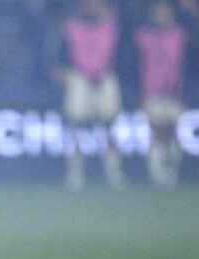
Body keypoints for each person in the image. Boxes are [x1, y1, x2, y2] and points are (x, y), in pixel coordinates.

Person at [59, 0, 123, 190]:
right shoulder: (72, 25)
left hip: (105, 77)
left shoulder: (110, 25)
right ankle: (75, 174)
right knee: (77, 126)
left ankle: (114, 174)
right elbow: (63, 49)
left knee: (109, 126)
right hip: (80, 78)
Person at [134, 0, 187, 187]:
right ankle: (156, 174)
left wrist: (187, 93)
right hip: (150, 94)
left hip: (175, 95)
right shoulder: (142, 36)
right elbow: (134, 64)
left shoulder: (181, 35)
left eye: (164, 10)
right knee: (156, 131)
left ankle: (172, 171)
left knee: (174, 133)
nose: (160, 14)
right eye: (157, 11)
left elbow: (187, 65)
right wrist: (137, 93)